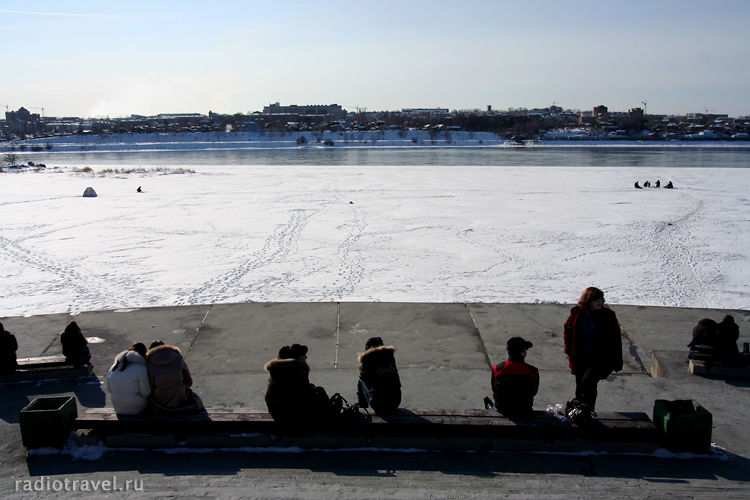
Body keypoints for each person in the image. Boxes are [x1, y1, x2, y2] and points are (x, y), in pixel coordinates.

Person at [563, 287, 623, 411]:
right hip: (581, 357)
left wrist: (616, 361)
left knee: (588, 383)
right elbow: (568, 330)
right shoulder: (577, 314)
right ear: (588, 300)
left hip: (599, 358)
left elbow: (616, 338)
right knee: (580, 388)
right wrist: (569, 350)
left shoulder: (608, 316)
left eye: (601, 299)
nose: (600, 302)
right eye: (596, 299)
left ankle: (588, 412)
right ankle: (579, 412)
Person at [264, 344, 335, 423]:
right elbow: (305, 394)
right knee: (321, 393)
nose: (306, 357)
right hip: (289, 415)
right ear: (297, 357)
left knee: (317, 389)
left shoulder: (277, 370)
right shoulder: (299, 371)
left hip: (276, 411)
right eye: (303, 355)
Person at [146, 343, 204, 413]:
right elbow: (189, 382)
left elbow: (151, 387)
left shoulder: (150, 363)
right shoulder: (177, 357)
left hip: (160, 402)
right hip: (181, 398)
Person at [491, 337, 539, 415]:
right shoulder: (533, 371)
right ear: (522, 352)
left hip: (503, 410)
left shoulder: (497, 369)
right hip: (524, 410)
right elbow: (534, 392)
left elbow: (495, 389)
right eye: (525, 349)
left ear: (508, 352)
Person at [357, 337, 401, 414]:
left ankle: (363, 408)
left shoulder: (368, 358)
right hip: (396, 402)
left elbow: (364, 378)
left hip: (378, 404)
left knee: (361, 382)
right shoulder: (390, 356)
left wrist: (364, 369)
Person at [106, 343, 151, 414]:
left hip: (117, 406)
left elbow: (109, 389)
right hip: (136, 407)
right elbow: (145, 393)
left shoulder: (114, 366)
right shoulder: (141, 368)